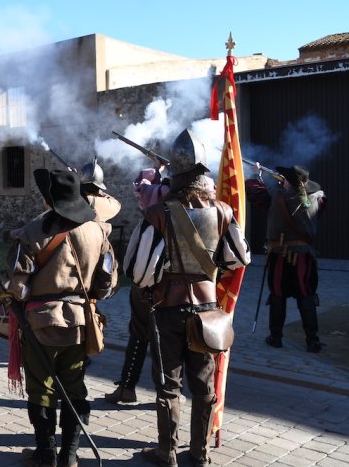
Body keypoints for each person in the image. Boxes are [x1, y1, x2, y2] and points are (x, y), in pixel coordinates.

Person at [124, 129, 250, 467]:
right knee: (203, 383)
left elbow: (137, 271)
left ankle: (167, 453)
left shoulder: (158, 213)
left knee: (169, 385)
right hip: (208, 309)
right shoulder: (223, 211)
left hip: (167, 309)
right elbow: (239, 257)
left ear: (175, 174)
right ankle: (200, 452)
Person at [4, 168, 118, 467]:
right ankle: (69, 455)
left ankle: (46, 455)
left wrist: (17, 291)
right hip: (81, 323)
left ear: (48, 200)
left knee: (41, 390)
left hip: (40, 324)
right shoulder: (98, 231)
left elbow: (17, 286)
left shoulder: (31, 232)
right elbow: (106, 285)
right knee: (74, 387)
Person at [105, 165, 169, 404]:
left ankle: (127, 388)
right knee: (171, 340)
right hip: (185, 291)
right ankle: (168, 392)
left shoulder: (153, 217)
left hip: (152, 287)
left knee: (140, 333)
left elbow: (135, 268)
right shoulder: (197, 211)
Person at [245, 164, 326, 353]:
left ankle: (276, 338)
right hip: (304, 256)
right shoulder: (319, 198)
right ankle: (312, 341)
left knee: (278, 294)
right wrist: (291, 185)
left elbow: (256, 194)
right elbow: (313, 202)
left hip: (280, 255)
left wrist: (257, 176)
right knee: (306, 295)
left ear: (288, 181)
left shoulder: (276, 196)